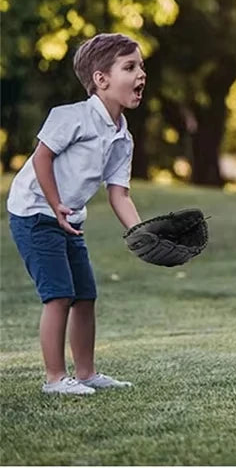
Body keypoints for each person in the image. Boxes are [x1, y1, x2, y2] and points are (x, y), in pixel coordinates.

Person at [7, 33, 147, 395]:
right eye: (130, 67)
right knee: (58, 295)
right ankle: (55, 379)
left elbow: (119, 194)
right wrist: (55, 204)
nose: (141, 74)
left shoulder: (122, 136)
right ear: (101, 79)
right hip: (35, 213)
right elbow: (42, 157)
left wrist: (142, 233)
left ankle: (86, 373)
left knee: (85, 295)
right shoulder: (71, 116)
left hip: (70, 219)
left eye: (141, 66)